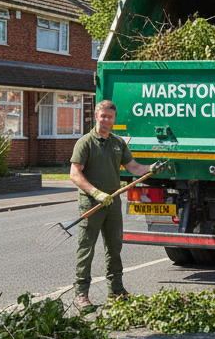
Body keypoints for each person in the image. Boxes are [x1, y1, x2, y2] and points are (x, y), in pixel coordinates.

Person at [69, 100, 162, 310]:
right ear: (96, 116)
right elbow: (75, 174)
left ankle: (117, 291)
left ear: (114, 119)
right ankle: (81, 294)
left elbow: (134, 167)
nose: (106, 120)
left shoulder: (118, 142)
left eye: (110, 117)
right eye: (103, 116)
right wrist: (95, 192)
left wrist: (151, 168)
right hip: (91, 203)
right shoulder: (85, 142)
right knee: (86, 249)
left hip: (112, 202)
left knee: (114, 247)